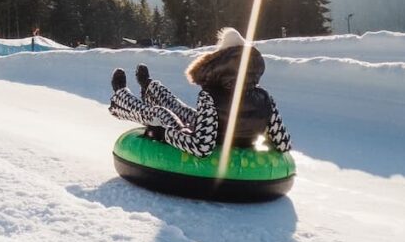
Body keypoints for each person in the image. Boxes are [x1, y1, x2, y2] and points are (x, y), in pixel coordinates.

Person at [108, 27, 291, 158]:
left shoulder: (211, 96)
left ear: (218, 66)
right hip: (223, 134)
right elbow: (283, 143)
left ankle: (121, 97)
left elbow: (202, 146)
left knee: (161, 114)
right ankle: (149, 87)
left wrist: (164, 134)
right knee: (183, 111)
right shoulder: (265, 98)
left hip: (213, 140)